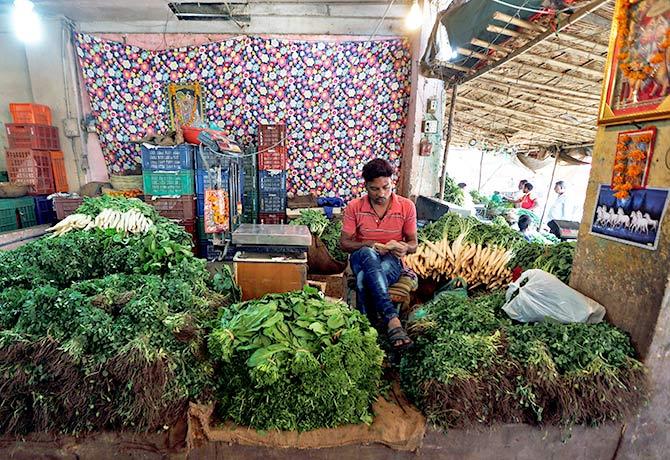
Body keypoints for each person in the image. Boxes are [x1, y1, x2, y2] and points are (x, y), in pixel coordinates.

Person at [340, 158, 418, 351]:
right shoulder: (354, 207)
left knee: (363, 279)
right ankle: (392, 320)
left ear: (392, 182)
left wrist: (404, 248)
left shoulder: (406, 206)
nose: (381, 193)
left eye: (386, 187)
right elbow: (344, 243)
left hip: (391, 262)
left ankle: (367, 329)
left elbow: (413, 244)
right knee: (367, 252)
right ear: (366, 186)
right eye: (375, 189)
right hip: (361, 258)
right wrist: (372, 245)